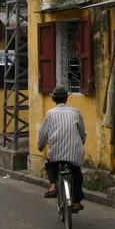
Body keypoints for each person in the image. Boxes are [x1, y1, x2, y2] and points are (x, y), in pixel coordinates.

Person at [37, 85, 87, 213]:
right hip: (74, 152)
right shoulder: (76, 112)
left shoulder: (50, 114)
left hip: (56, 151)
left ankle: (53, 186)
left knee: (51, 164)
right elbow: (82, 132)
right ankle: (75, 202)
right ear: (66, 99)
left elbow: (43, 134)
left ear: (54, 100)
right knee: (76, 173)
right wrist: (81, 141)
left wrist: (41, 145)